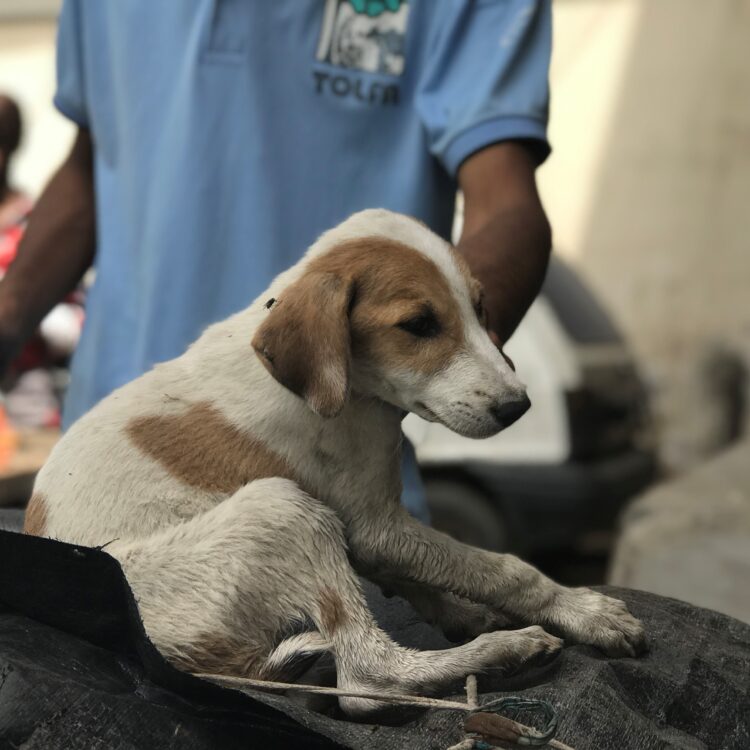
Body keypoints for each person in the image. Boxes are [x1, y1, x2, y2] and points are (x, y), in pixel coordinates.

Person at [0, 0, 552, 519]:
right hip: (112, 477)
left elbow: (505, 205)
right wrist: (7, 317)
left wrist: (461, 356)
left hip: (328, 491)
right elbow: (95, 161)